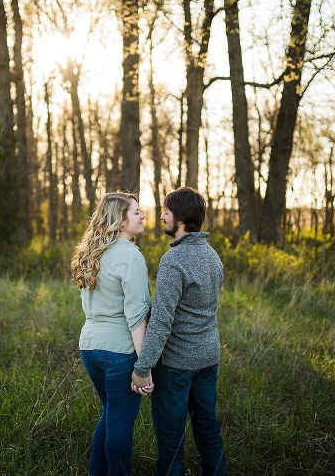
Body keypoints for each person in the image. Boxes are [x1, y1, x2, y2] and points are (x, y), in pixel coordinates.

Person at [131, 186, 227, 476]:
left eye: (166, 212)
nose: (161, 217)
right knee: (207, 426)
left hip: (176, 366)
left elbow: (161, 322)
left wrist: (143, 366)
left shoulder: (174, 260)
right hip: (208, 359)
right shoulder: (213, 256)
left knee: (171, 439)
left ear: (181, 219)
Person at [71, 192, 154, 476]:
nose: (142, 216)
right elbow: (137, 316)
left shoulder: (92, 252)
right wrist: (144, 366)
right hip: (119, 351)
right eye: (136, 212)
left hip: (89, 348)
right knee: (120, 419)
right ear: (120, 221)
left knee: (110, 415)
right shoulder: (130, 256)